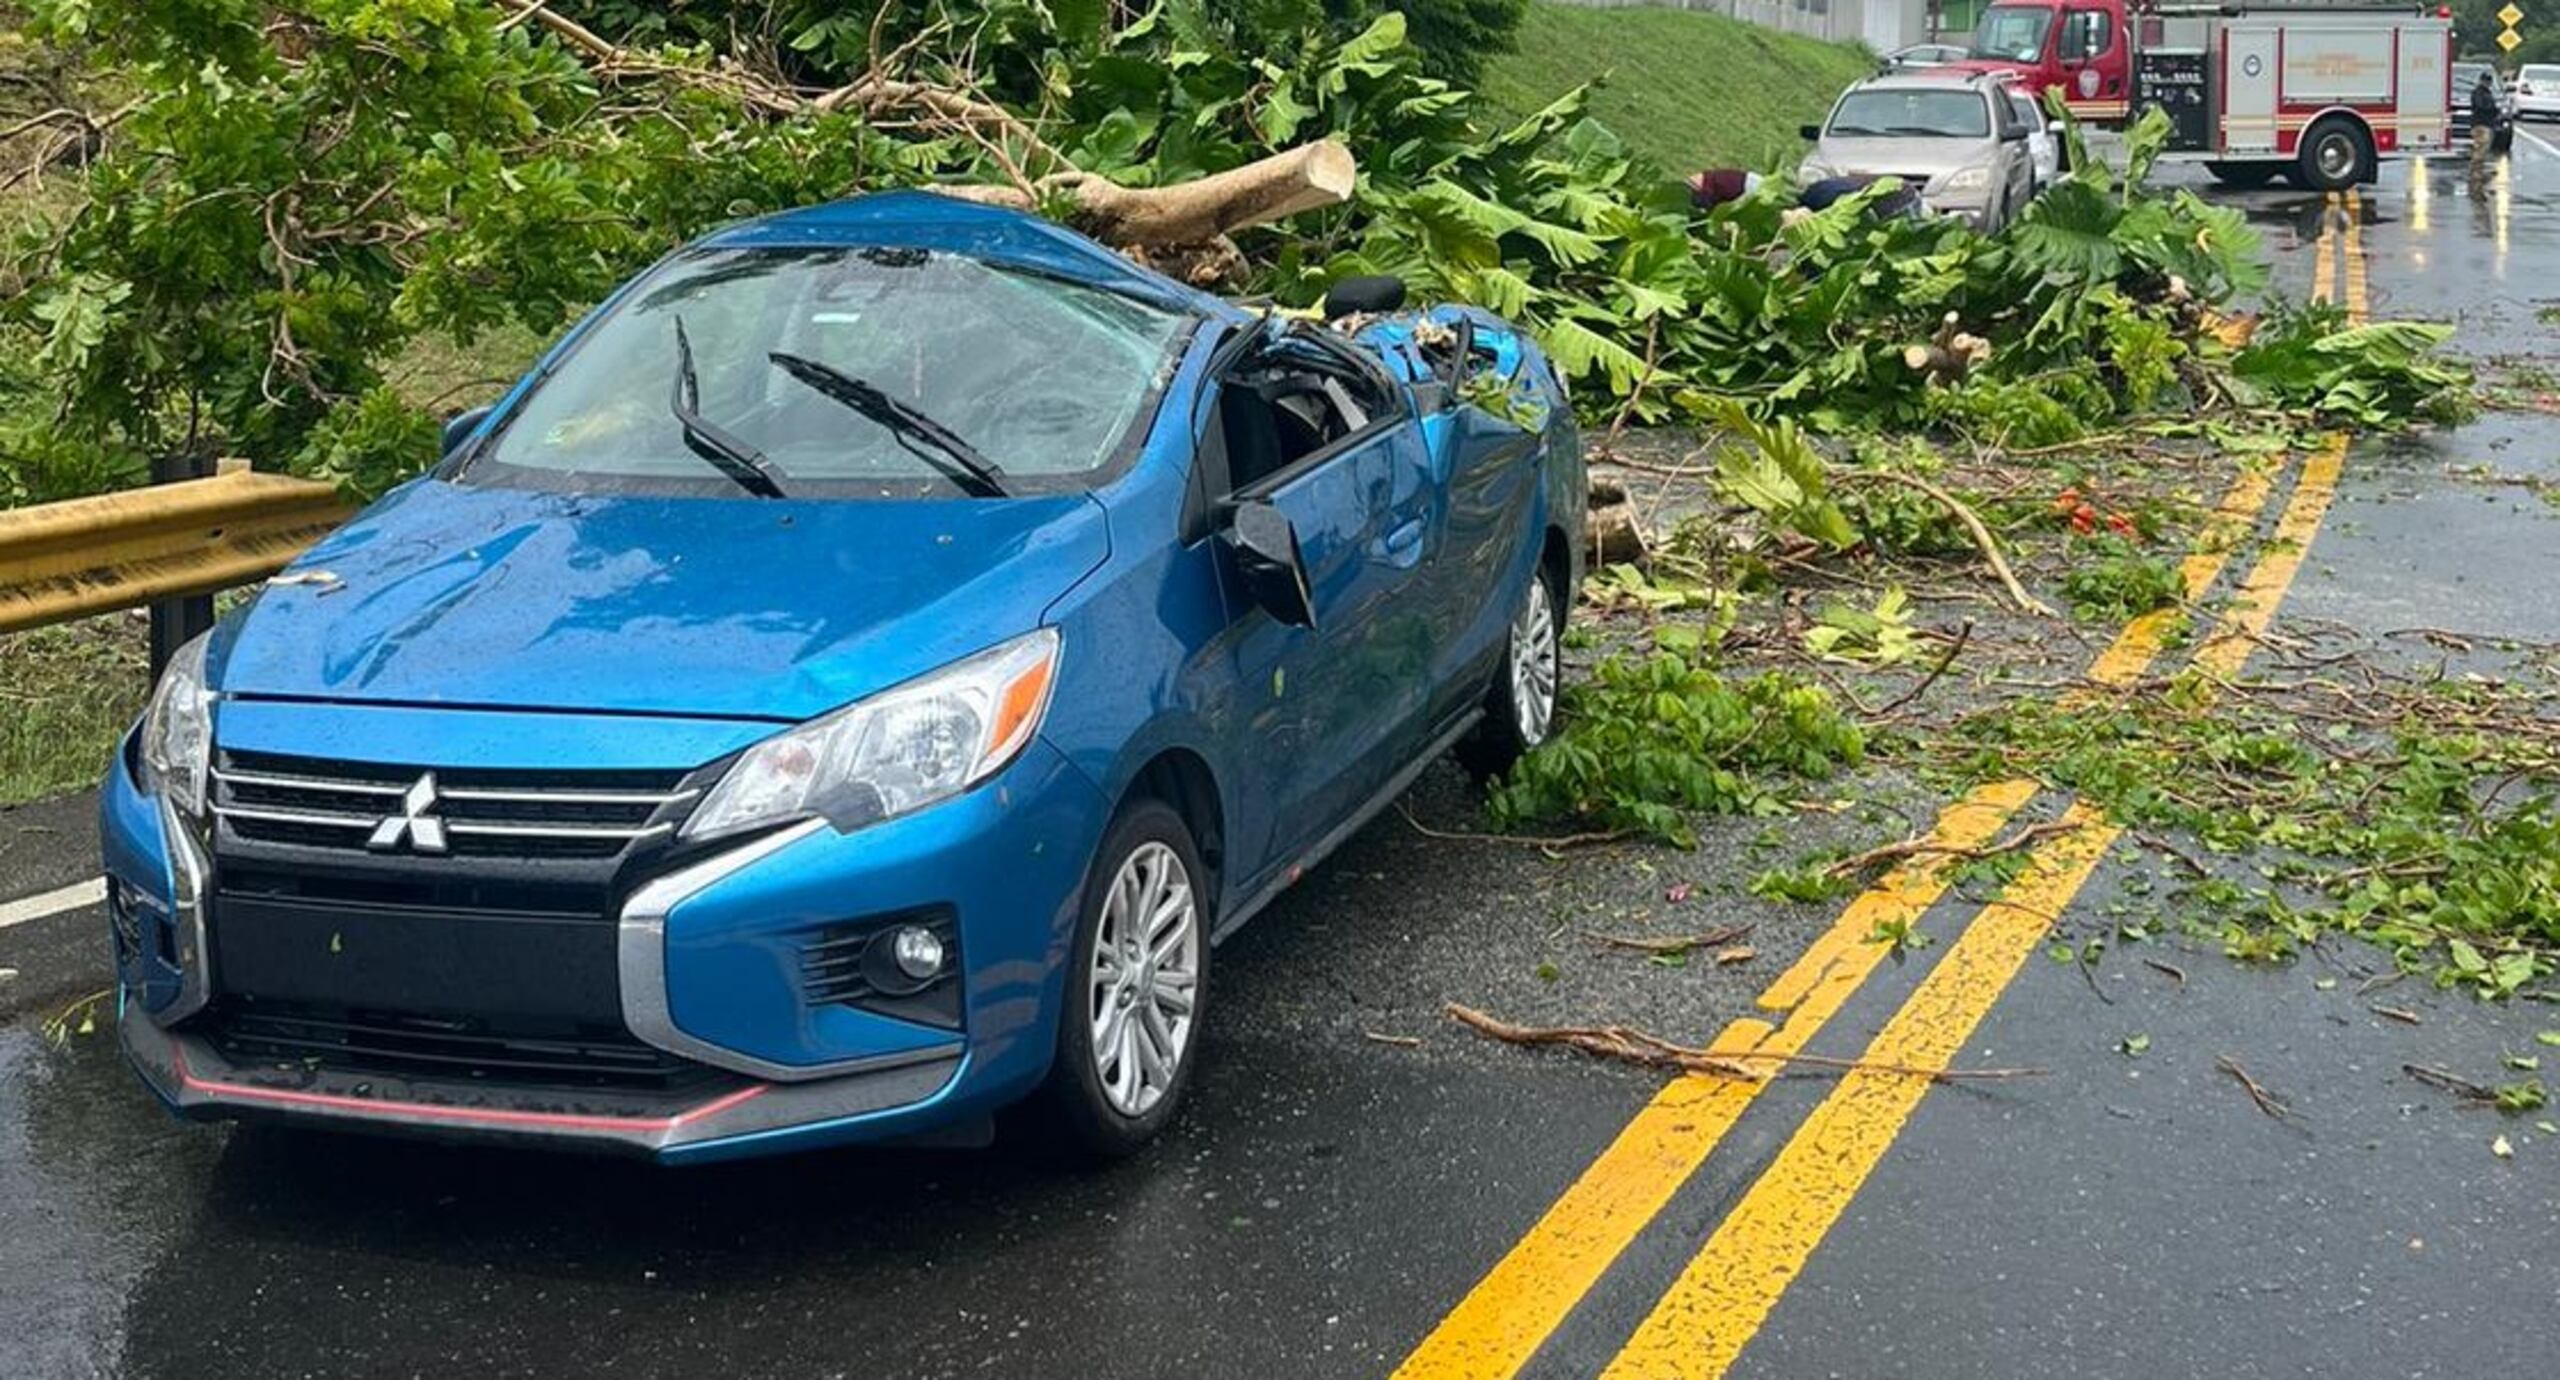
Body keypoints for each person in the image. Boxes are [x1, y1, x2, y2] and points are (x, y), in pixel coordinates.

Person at [2471, 72, 2501, 191]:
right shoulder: (2478, 93)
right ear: (2481, 80)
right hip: (2480, 124)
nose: (2487, 82)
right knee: (2480, 149)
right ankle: (2476, 174)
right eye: (2485, 80)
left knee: (2483, 149)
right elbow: (2480, 106)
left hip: (2487, 124)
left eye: (2489, 80)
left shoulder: (2487, 93)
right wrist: (2493, 109)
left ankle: (2478, 172)